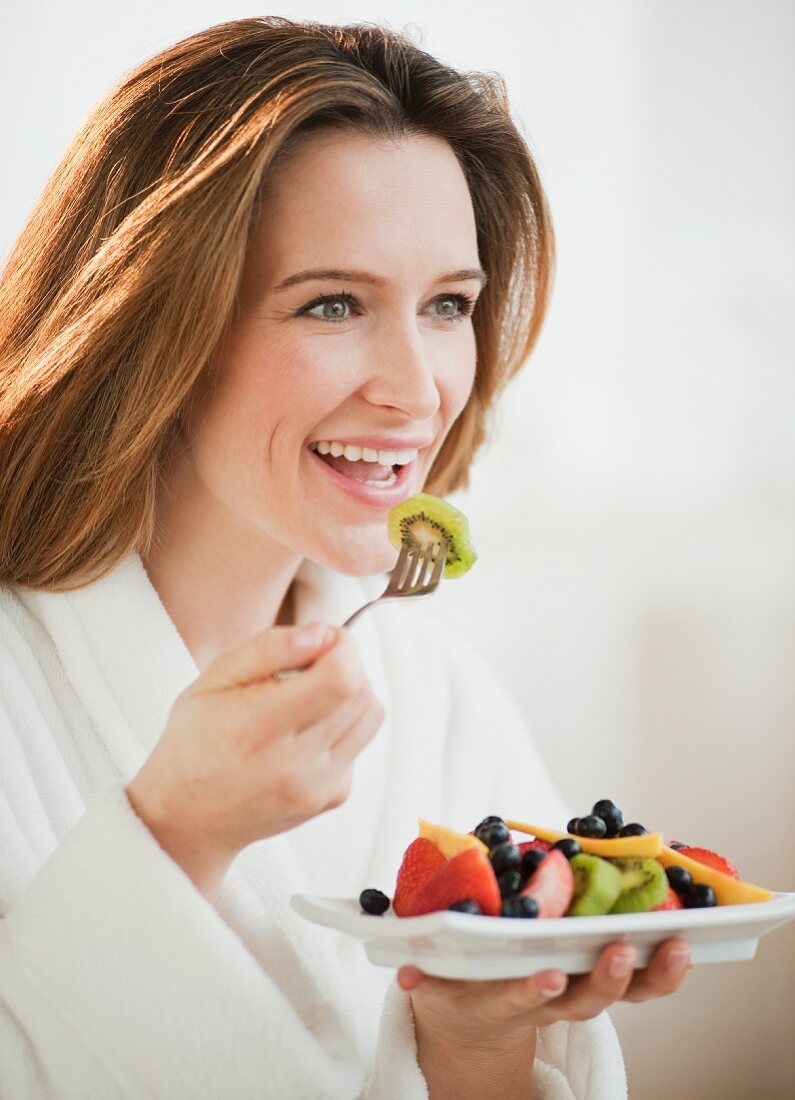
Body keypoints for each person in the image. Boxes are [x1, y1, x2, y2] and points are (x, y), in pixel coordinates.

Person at [0, 17, 690, 1099]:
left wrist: (475, 1041)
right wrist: (171, 831)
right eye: (333, 302)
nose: (418, 390)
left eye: (448, 306)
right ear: (154, 325)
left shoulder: (443, 701)